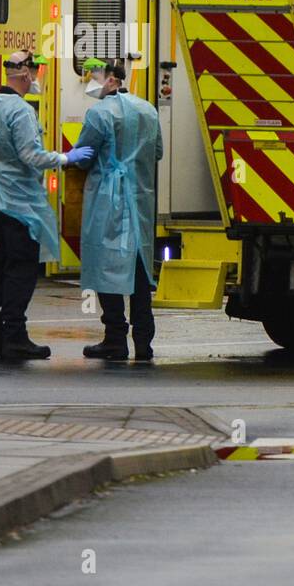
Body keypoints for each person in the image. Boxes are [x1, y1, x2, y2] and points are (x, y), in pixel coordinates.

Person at [0, 50, 96, 361]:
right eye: (36, 69)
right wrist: (66, 158)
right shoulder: (21, 112)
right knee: (20, 269)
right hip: (18, 205)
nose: (38, 75)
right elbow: (31, 156)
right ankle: (14, 337)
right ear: (24, 74)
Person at [73, 58, 163, 361]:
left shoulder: (99, 114)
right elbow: (158, 152)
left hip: (108, 200)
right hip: (139, 198)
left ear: (112, 78)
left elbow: (83, 156)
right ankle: (143, 341)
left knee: (106, 265)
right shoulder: (147, 110)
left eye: (95, 76)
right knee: (139, 266)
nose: (91, 82)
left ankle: (114, 338)